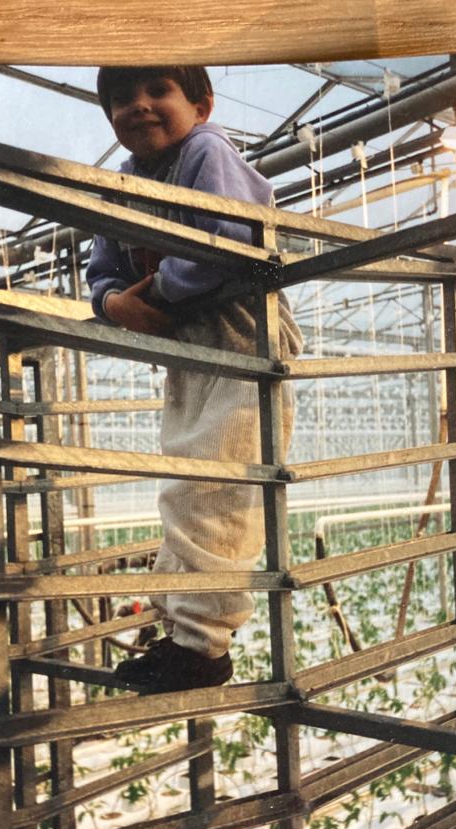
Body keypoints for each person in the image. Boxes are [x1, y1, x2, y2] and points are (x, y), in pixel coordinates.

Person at [86, 65, 302, 693]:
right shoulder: (122, 184)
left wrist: (157, 294)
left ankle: (204, 647)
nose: (140, 107)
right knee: (187, 485)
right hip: (187, 347)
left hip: (242, 337)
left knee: (220, 486)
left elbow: (228, 236)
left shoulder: (207, 151)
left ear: (202, 105)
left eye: (159, 92)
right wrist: (111, 305)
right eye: (122, 99)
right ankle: (184, 636)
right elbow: (102, 268)